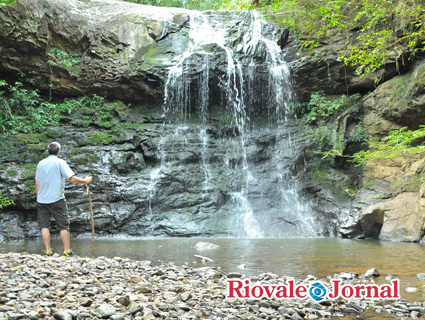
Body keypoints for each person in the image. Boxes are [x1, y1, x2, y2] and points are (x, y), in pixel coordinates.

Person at [35, 142, 92, 257]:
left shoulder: (40, 163)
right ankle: (67, 251)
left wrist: (39, 196)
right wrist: (86, 181)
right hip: (57, 199)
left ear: (48, 151)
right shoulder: (60, 162)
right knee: (63, 225)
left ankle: (48, 251)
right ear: (58, 151)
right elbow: (71, 179)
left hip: (42, 199)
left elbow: (37, 182)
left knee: (44, 226)